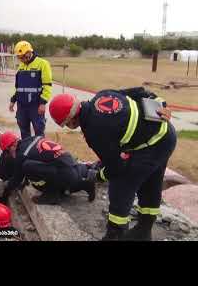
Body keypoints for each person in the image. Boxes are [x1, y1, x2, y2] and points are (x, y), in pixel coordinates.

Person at [49, 87, 176, 240]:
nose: (68, 127)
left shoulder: (93, 131)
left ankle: (115, 234)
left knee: (121, 185)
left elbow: (116, 167)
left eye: (66, 124)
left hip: (151, 147)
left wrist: (99, 176)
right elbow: (140, 91)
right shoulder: (102, 94)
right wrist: (160, 103)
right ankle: (144, 230)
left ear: (71, 120)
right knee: (151, 183)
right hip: (166, 134)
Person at [9, 41, 52, 139]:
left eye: (22, 56)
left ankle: (40, 152)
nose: (21, 59)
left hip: (35, 105)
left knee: (39, 131)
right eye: (19, 57)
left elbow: (47, 85)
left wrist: (43, 103)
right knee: (24, 131)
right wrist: (13, 100)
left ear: (29, 52)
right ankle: (26, 152)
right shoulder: (21, 66)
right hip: (22, 106)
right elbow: (19, 88)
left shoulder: (42, 64)